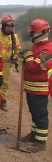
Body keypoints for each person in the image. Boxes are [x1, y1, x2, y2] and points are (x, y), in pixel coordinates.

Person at [18, 18, 52, 153]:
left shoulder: (47, 50)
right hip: (32, 87)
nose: (30, 35)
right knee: (34, 113)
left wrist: (27, 57)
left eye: (32, 33)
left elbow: (36, 67)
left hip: (39, 89)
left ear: (40, 33)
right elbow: (30, 62)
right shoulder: (38, 47)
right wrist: (24, 58)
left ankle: (40, 142)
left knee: (40, 115)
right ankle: (34, 134)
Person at [0, 15, 21, 112]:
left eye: (12, 27)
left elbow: (17, 49)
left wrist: (15, 57)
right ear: (3, 26)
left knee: (4, 83)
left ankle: (2, 102)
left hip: (5, 64)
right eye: (8, 26)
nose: (10, 28)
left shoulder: (14, 37)